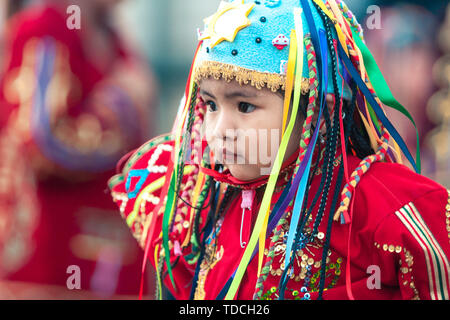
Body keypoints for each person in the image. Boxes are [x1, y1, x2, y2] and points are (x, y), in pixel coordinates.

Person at [109, 0, 450, 300]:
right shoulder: (198, 201)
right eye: (210, 105)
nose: (219, 131)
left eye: (244, 106)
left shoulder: (380, 205)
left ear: (318, 110)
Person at [0, 0, 156, 298]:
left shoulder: (112, 37)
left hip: (109, 260)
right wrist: (121, 103)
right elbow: (42, 143)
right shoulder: (44, 29)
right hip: (49, 263)